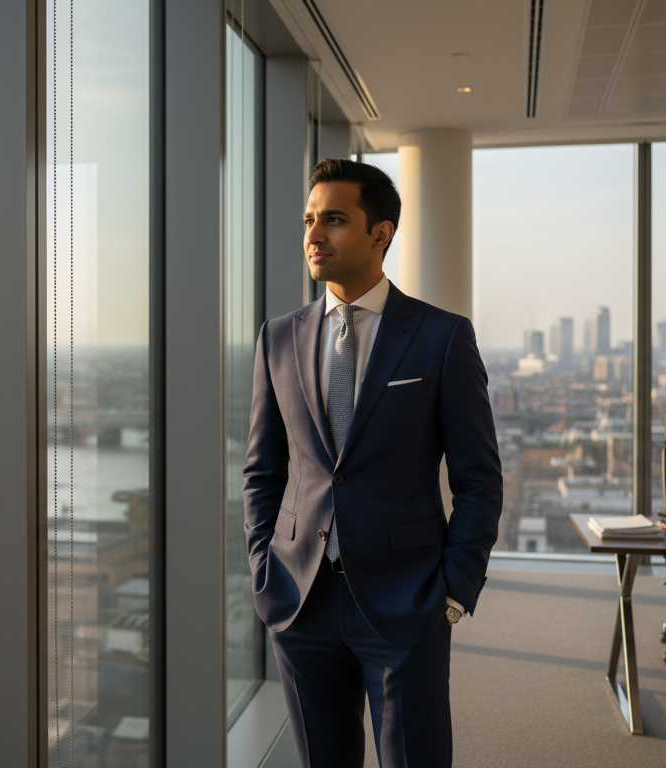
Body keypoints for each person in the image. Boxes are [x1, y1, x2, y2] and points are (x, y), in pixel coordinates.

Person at [244, 158, 503, 768]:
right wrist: (264, 562)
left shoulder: (441, 337)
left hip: (406, 599)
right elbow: (264, 470)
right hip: (299, 597)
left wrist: (454, 590)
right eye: (309, 219)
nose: (313, 234)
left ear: (380, 234)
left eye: (333, 219)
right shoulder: (277, 337)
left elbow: (479, 479)